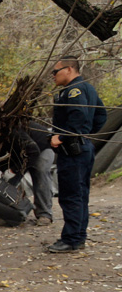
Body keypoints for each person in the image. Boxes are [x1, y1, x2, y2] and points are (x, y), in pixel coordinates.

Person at [47, 56, 107, 253]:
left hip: (73, 150)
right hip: (83, 146)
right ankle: (78, 236)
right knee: (80, 194)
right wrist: (85, 134)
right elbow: (101, 115)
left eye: (56, 71)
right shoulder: (88, 88)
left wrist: (63, 136)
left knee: (71, 195)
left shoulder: (74, 90)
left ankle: (71, 239)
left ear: (69, 69)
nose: (53, 75)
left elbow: (78, 116)